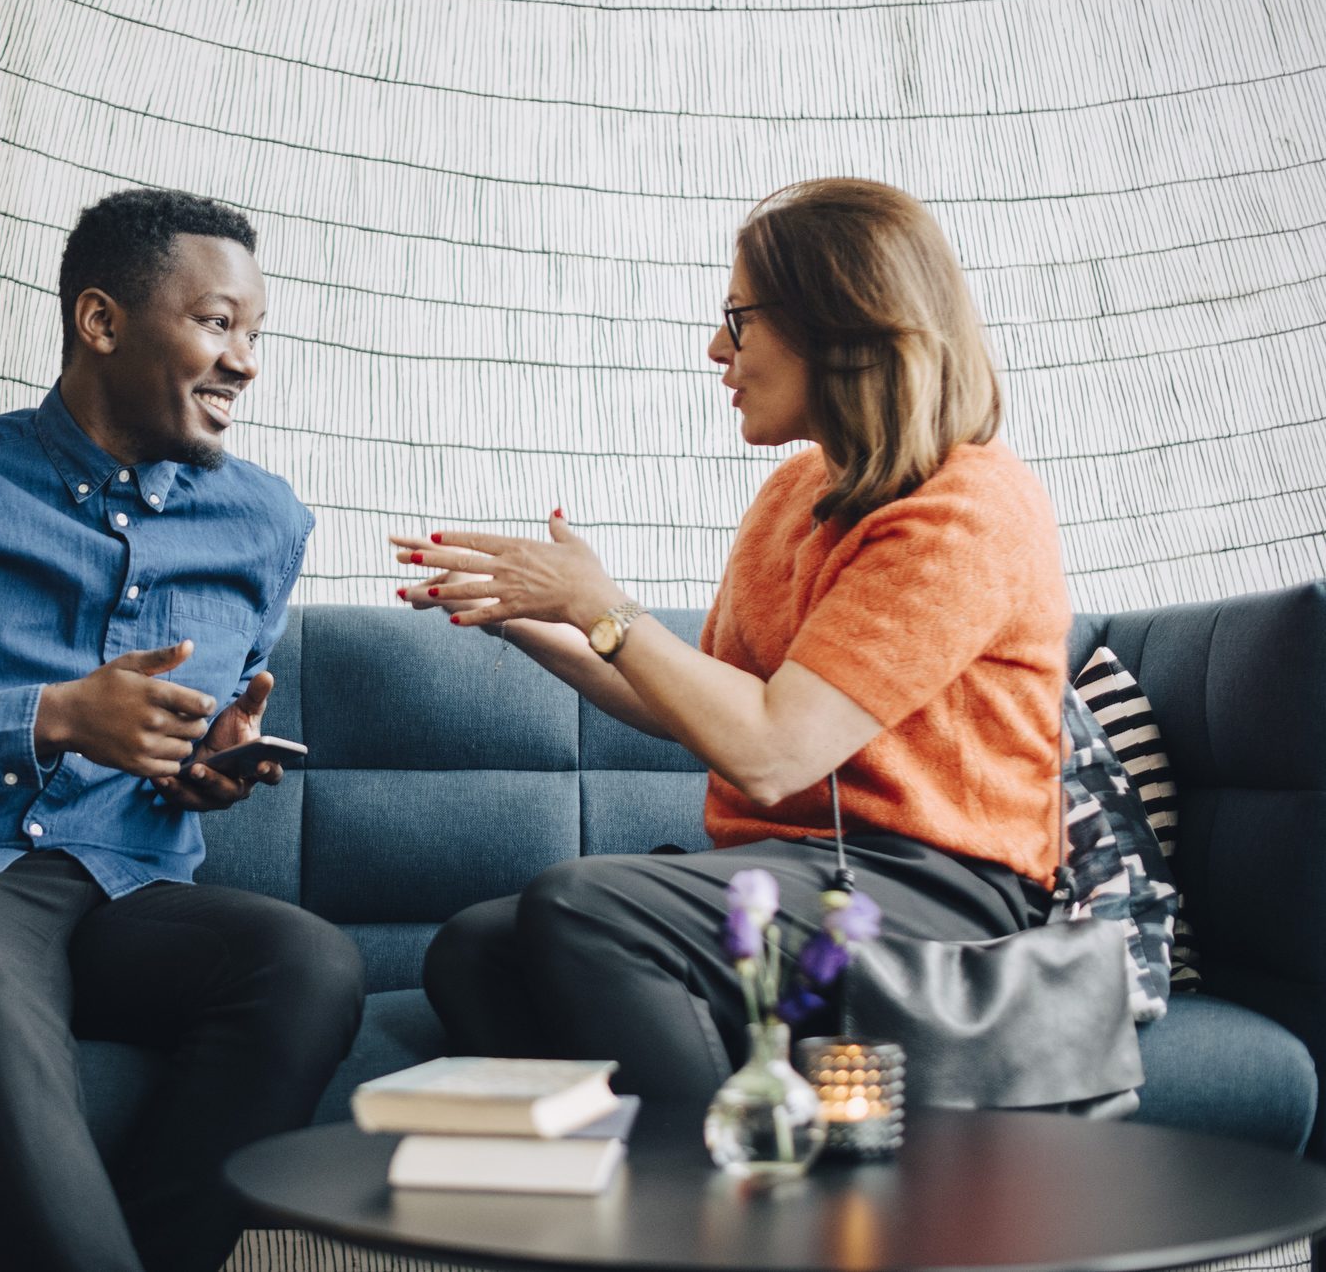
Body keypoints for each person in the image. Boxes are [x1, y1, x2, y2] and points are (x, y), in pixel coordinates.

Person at [0, 188, 364, 1272]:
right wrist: (50, 718)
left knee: (307, 963)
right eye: (217, 322)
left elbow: (177, 746)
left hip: (131, 891)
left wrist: (204, 764)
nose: (245, 362)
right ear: (101, 321)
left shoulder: (264, 520)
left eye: (255, 334)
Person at [394, 178, 1069, 1108]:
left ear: (841, 325)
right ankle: (635, 1199)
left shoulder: (965, 511)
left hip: (941, 890)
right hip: (792, 878)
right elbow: (702, 707)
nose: (717, 349)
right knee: (477, 950)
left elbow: (769, 750)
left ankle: (728, 1216)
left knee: (583, 907)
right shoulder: (795, 492)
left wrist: (604, 607)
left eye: (739, 319)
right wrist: (528, 616)